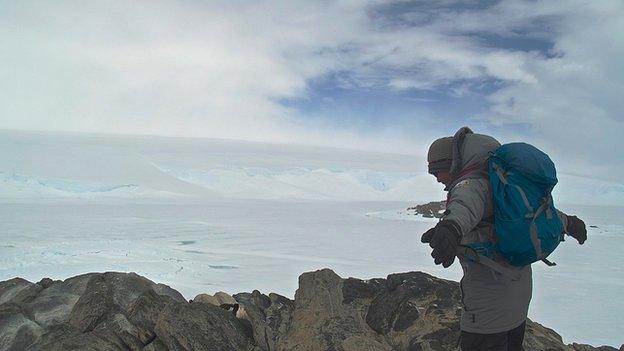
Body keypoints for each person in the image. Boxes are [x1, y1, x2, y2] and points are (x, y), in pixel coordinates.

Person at [421, 127, 587, 351]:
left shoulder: (470, 185)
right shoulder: (501, 182)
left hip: (487, 308)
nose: (437, 178)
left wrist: (451, 228)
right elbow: (532, 213)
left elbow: (464, 206)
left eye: (437, 171)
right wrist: (569, 223)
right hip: (517, 299)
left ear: (451, 163)